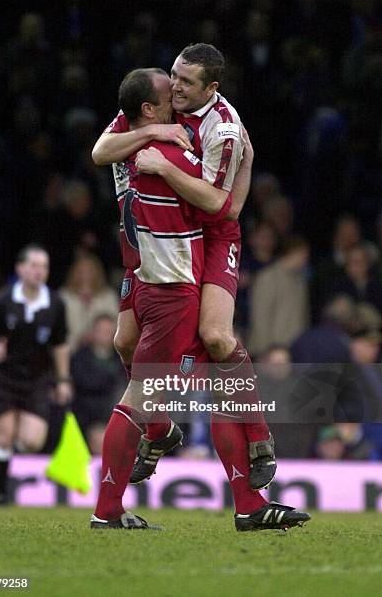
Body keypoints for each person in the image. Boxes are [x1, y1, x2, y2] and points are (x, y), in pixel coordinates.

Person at [90, 68, 310, 532]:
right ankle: (110, 510)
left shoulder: (129, 138)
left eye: (180, 80)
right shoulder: (170, 152)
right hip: (173, 289)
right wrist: (245, 167)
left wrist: (151, 131)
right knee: (165, 389)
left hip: (141, 275)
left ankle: (173, 441)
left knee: (128, 345)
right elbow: (220, 206)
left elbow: (99, 152)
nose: (175, 89)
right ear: (149, 109)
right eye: (168, 85)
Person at [0, 244, 72, 504]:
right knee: (4, 435)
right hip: (3, 377)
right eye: (33, 265)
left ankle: (9, 458)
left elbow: (60, 344)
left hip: (37, 379)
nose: (39, 271)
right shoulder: (2, 300)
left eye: (44, 266)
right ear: (20, 268)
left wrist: (63, 379)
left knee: (32, 441)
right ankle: (0, 494)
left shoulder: (55, 303)